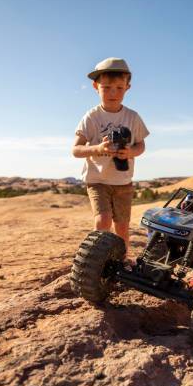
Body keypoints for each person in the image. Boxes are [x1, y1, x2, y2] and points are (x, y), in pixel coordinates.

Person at [72, 57, 150, 263]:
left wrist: (130, 152)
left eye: (119, 88)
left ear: (128, 87)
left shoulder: (132, 117)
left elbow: (141, 144)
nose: (113, 93)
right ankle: (96, 260)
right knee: (103, 220)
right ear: (95, 86)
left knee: (122, 226)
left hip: (123, 181)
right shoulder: (92, 117)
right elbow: (76, 149)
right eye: (106, 88)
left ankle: (121, 262)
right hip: (97, 180)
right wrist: (97, 148)